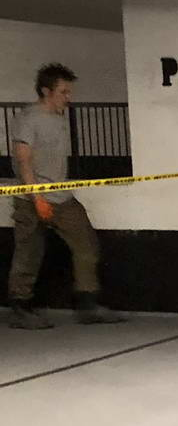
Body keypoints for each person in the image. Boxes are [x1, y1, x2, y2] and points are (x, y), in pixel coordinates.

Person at [7, 62, 124, 328]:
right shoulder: (28, 118)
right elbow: (24, 162)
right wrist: (37, 199)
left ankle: (88, 304)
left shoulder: (59, 118)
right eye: (63, 92)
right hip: (31, 198)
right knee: (29, 252)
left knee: (87, 245)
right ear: (46, 91)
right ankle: (21, 308)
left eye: (69, 92)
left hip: (62, 196)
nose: (69, 98)